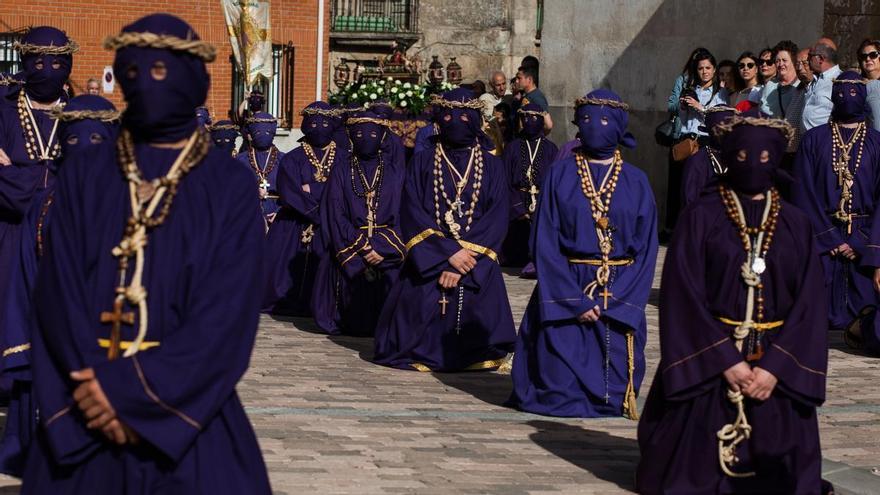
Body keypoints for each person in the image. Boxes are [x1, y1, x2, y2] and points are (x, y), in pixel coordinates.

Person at [22, 14, 271, 493]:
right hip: (83, 409)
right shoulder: (88, 173)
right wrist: (89, 392)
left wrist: (131, 396)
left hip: (187, 418)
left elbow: (227, 316)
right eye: (133, 72)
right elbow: (57, 294)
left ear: (195, 80)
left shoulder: (228, 183)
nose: (146, 83)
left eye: (162, 72)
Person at [637, 115, 831, 494]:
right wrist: (726, 361)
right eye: (741, 155)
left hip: (774, 366)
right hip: (712, 364)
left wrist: (774, 369)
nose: (752, 164)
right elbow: (682, 296)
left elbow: (809, 304)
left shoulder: (796, 224)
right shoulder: (701, 217)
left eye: (762, 157)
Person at [508, 90, 658, 418]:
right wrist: (573, 300)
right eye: (587, 119)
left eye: (604, 120)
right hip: (567, 284)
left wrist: (614, 300)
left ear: (618, 126)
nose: (594, 127)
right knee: (557, 388)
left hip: (616, 289)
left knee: (611, 389)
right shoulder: (559, 176)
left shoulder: (637, 181)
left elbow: (646, 252)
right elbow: (544, 242)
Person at [0, 94, 119, 477]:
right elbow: (24, 274)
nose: (84, 150)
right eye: (73, 140)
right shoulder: (44, 205)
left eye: (96, 141)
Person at [373, 88, 516, 372]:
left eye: (464, 116)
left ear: (476, 120)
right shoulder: (424, 161)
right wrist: (447, 255)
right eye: (448, 115)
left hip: (476, 262)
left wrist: (465, 260)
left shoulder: (492, 165)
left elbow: (497, 216)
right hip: (431, 260)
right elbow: (412, 211)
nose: (455, 122)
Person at [0, 26, 76, 366]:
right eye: (39, 63)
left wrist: (16, 170)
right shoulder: (3, 108)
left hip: (63, 232)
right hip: (10, 231)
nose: (48, 71)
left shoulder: (81, 115)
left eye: (58, 63)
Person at [793, 71, 880, 334]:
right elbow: (802, 191)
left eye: (853, 92)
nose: (846, 97)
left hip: (863, 237)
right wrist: (829, 238)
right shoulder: (813, 140)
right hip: (824, 238)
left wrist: (866, 243)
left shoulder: (877, 143)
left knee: (865, 309)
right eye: (840, 92)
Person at [313, 112, 406, 335]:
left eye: (373, 133)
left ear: (383, 137)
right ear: (351, 136)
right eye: (360, 134)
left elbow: (404, 213)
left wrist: (381, 247)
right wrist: (363, 246)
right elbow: (335, 213)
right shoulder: (341, 170)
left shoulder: (395, 172)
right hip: (351, 246)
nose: (366, 138)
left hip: (386, 250)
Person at [263, 101, 343, 316]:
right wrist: (318, 208)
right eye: (313, 123)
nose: (319, 128)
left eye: (324, 123)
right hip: (295, 222)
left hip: (332, 223)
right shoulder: (293, 158)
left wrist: (314, 188)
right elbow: (290, 193)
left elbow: (344, 190)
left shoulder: (344, 158)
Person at [500, 103, 558, 276]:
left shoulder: (550, 148)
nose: (529, 121)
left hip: (541, 202)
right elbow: (504, 180)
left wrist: (540, 207)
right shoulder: (513, 147)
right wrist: (517, 207)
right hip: (516, 203)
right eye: (525, 117)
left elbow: (554, 182)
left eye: (533, 117)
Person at [680, 105, 737, 208]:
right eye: (718, 129)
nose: (723, 133)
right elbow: (690, 201)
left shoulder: (739, 158)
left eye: (728, 128)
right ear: (710, 130)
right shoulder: (697, 162)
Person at [236, 111, 283, 227]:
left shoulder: (284, 160)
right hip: (248, 216)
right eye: (257, 132)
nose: (263, 135)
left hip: (278, 215)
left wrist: (281, 213)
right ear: (250, 134)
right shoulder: (240, 160)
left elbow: (292, 192)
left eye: (267, 132)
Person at [803, 41, 842, 131]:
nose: (807, 60)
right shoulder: (816, 79)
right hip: (807, 138)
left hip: (824, 139)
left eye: (810, 56)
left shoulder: (839, 80)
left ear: (820, 58)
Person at [760, 41, 802, 120]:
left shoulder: (801, 86)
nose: (780, 64)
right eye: (777, 61)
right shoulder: (770, 85)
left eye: (784, 60)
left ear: (794, 62)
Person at [515, 65, 553, 132]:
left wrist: (535, 137)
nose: (516, 81)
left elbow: (548, 125)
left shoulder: (537, 97)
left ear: (529, 79)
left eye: (519, 78)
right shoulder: (527, 95)